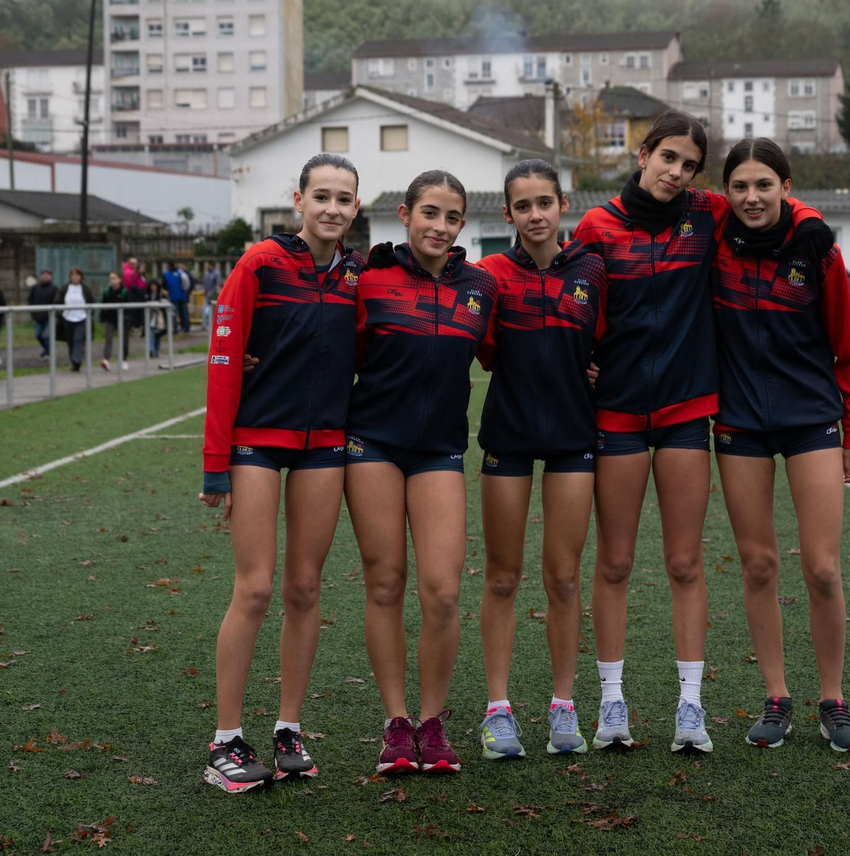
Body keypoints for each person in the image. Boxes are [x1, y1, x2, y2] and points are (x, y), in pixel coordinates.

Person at [569, 111, 820, 755]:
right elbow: (573, 304)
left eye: (688, 165)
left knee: (685, 562)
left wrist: (814, 227)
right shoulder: (596, 226)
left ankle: (690, 708)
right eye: (668, 158)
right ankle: (613, 704)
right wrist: (582, 360)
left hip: (685, 411)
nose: (676, 173)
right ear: (644, 153)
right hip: (618, 415)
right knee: (617, 561)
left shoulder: (706, 211)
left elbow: (769, 193)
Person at [197, 154, 365, 794]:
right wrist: (216, 467)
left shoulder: (359, 274)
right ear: (298, 200)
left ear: (356, 207)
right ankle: (226, 742)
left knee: (305, 588)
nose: (331, 207)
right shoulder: (260, 263)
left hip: (323, 446)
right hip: (256, 446)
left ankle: (289, 728)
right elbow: (222, 359)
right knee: (257, 588)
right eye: (320, 195)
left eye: (343, 198)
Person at [711, 138, 850, 754]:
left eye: (764, 186)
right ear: (726, 192)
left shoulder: (818, 250)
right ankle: (777, 697)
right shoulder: (712, 239)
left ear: (786, 186)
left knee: (822, 568)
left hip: (811, 418)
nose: (752, 198)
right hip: (740, 421)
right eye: (740, 186)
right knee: (758, 564)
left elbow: (848, 350)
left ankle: (832, 700)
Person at [346, 170, 498, 776]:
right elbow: (330, 345)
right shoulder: (370, 278)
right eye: (429, 213)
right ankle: (395, 724)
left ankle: (431, 723)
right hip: (372, 445)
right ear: (406, 214)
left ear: (463, 225)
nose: (440, 226)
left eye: (452, 217)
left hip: (439, 451)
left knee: (442, 591)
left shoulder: (481, 287)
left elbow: (513, 354)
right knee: (385, 583)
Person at [474, 160, 607, 760]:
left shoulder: (593, 269)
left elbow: (607, 341)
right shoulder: (490, 274)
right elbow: (478, 349)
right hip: (509, 432)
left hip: (575, 436)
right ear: (507, 214)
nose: (535, 215)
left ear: (563, 205)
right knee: (502, 577)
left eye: (544, 203)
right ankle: (498, 711)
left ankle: (563, 706)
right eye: (522, 205)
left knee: (563, 577)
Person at [54, 267, 91, 372]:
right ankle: (74, 363)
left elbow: (90, 301)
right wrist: (60, 314)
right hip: (68, 318)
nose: (75, 277)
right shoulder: (65, 288)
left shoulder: (85, 289)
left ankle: (77, 359)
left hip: (81, 318)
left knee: (78, 339)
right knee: (70, 341)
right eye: (73, 275)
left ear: (81, 277)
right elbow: (58, 301)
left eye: (77, 275)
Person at [98, 271, 130, 371]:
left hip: (122, 320)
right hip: (110, 319)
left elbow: (129, 306)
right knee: (108, 339)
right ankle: (106, 359)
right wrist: (102, 318)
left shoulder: (124, 291)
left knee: (123, 340)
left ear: (119, 279)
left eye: (114, 278)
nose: (112, 280)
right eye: (111, 278)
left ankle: (123, 360)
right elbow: (103, 305)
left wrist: (128, 318)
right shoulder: (107, 291)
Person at [27, 270, 57, 360]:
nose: (45, 277)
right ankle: (48, 350)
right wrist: (33, 312)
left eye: (47, 275)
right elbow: (30, 300)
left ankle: (48, 352)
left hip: (49, 317)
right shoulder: (35, 288)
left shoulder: (54, 289)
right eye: (44, 275)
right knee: (38, 335)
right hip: (38, 316)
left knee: (48, 335)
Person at [162, 260, 190, 334]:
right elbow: (186, 283)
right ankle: (186, 327)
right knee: (183, 312)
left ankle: (175, 329)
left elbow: (164, 286)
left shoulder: (166, 274)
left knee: (174, 314)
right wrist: (184, 291)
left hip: (173, 296)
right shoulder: (181, 273)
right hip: (182, 295)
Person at [202, 262, 223, 326]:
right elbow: (204, 282)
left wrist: (214, 293)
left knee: (213, 311)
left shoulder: (216, 274)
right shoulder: (206, 273)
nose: (206, 267)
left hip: (213, 295)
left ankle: (214, 324)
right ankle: (205, 325)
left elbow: (218, 284)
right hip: (206, 294)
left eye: (207, 265)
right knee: (205, 310)